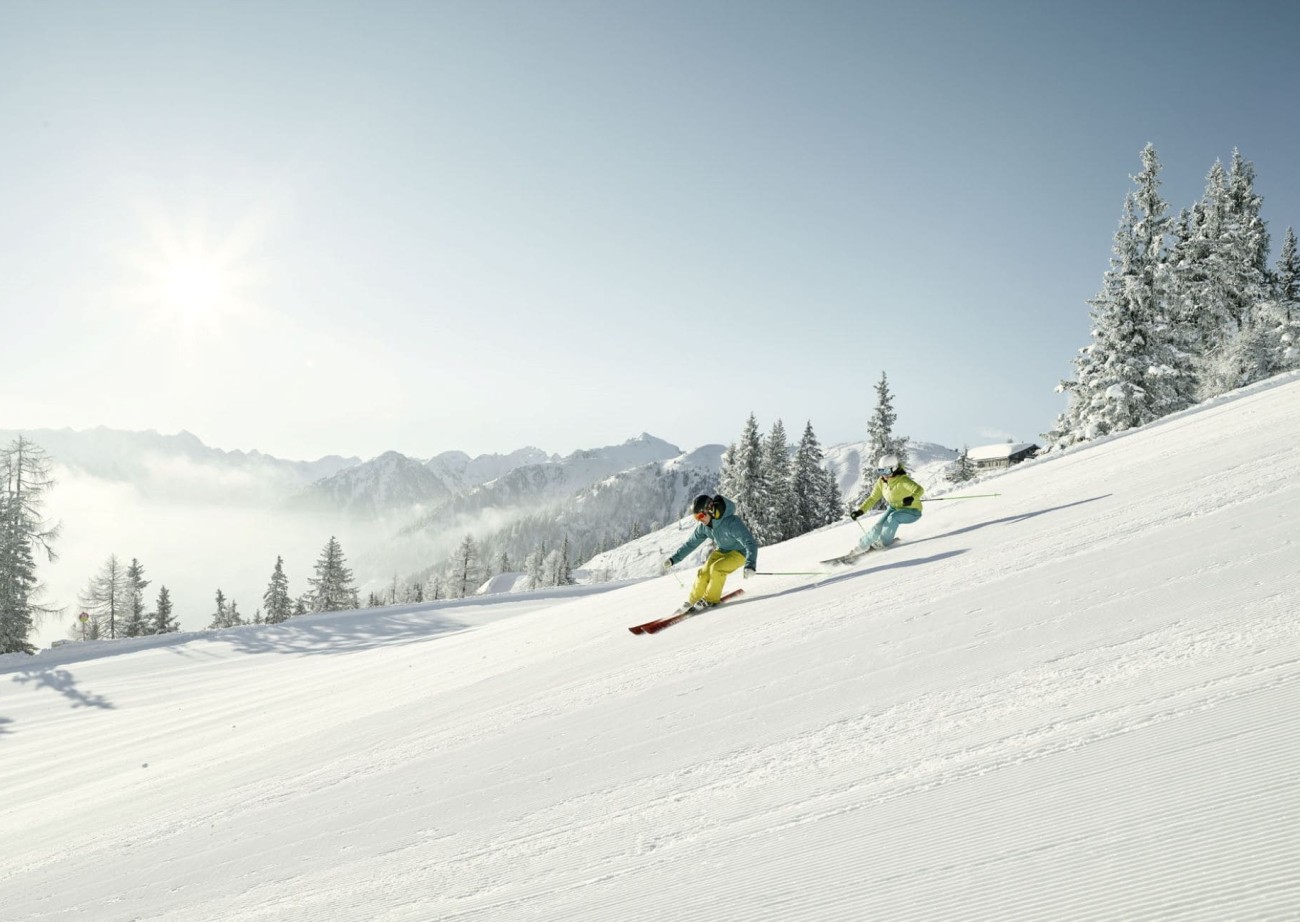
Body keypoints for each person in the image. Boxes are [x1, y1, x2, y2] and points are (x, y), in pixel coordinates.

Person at [663, 493, 759, 614]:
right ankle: (693, 601)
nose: (700, 520)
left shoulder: (731, 522)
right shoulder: (704, 527)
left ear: (711, 509)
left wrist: (750, 564)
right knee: (703, 573)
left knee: (717, 569)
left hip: (740, 552)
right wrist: (673, 560)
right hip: (723, 550)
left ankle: (710, 600)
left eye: (701, 516)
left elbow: (750, 542)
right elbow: (691, 544)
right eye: (696, 518)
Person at [850, 454, 924, 550]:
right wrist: (860, 511)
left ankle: (882, 543)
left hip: (912, 511)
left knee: (893, 518)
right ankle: (861, 547)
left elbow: (919, 489)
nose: (884, 474)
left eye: (886, 471)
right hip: (894, 508)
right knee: (877, 527)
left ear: (894, 468)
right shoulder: (881, 482)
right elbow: (873, 498)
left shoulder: (903, 480)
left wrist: (912, 497)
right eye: (881, 471)